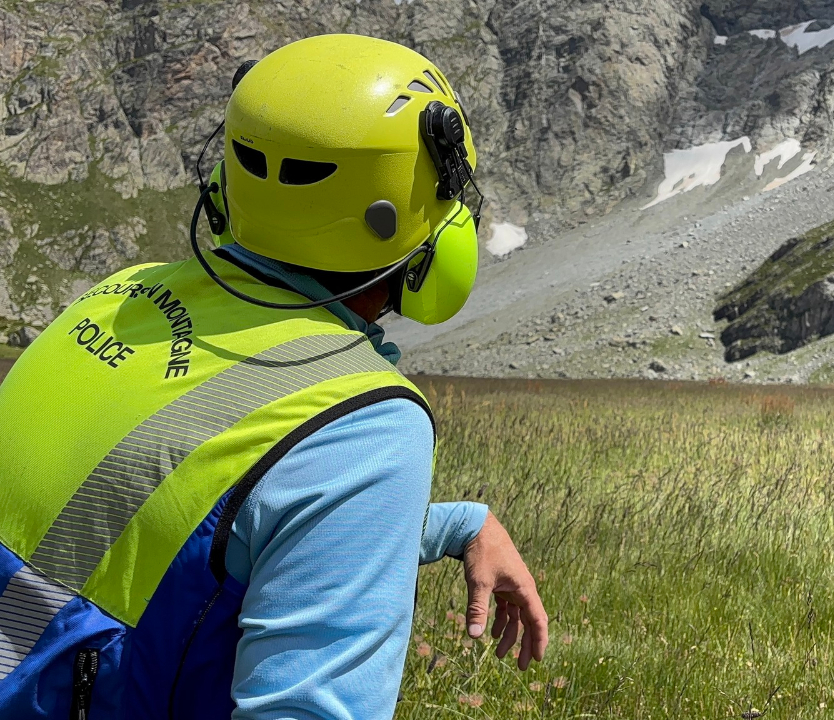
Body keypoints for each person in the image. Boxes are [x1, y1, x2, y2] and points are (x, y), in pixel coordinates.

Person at [0, 34, 547, 719]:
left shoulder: (120, 295)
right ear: (427, 233)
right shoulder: (363, 421)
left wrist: (456, 525)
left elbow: (180, 518)